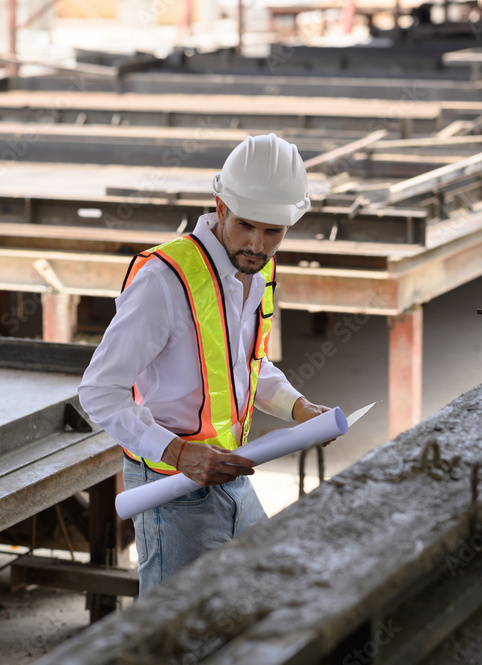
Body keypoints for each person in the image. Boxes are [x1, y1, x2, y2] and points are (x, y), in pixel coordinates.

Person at [77, 133, 334, 593]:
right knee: (171, 636)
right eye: (246, 226)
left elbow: (246, 363)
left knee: (256, 600)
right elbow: (98, 391)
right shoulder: (164, 281)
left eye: (273, 232)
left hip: (231, 470)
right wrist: (179, 453)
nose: (257, 244)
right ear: (221, 207)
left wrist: (300, 409)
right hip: (170, 486)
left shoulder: (255, 272)